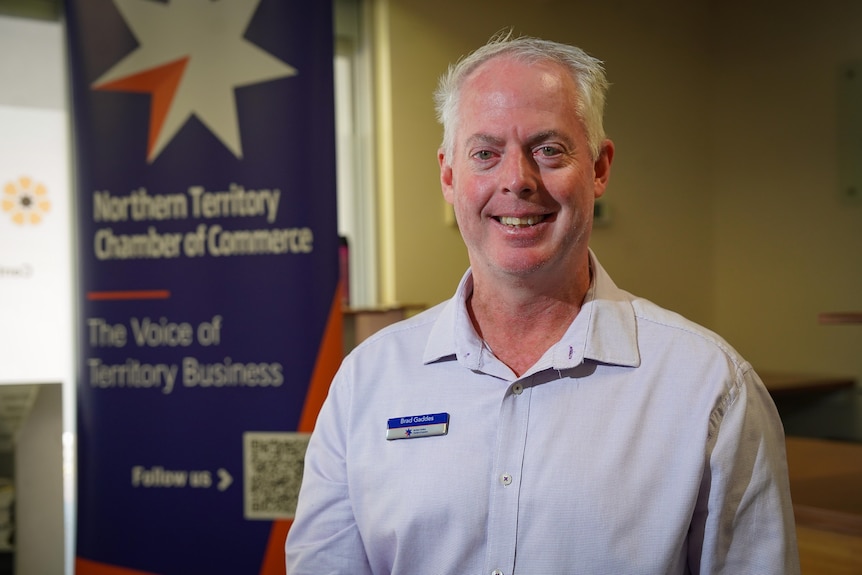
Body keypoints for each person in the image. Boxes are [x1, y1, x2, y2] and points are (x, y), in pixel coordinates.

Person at [286, 31, 800, 574]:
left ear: (599, 169)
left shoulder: (711, 388)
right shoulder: (366, 382)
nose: (517, 180)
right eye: (486, 153)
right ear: (449, 175)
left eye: (548, 150)